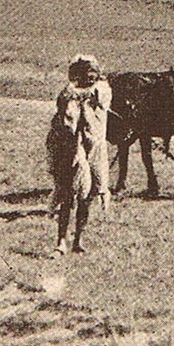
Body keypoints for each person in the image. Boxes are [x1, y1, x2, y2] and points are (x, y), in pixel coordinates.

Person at [47, 55, 111, 254]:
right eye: (85, 73)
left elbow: (100, 101)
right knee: (68, 194)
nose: (90, 77)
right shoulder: (67, 94)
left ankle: (78, 240)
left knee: (88, 196)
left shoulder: (102, 91)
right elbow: (65, 119)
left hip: (95, 149)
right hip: (72, 149)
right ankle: (61, 241)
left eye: (92, 73)